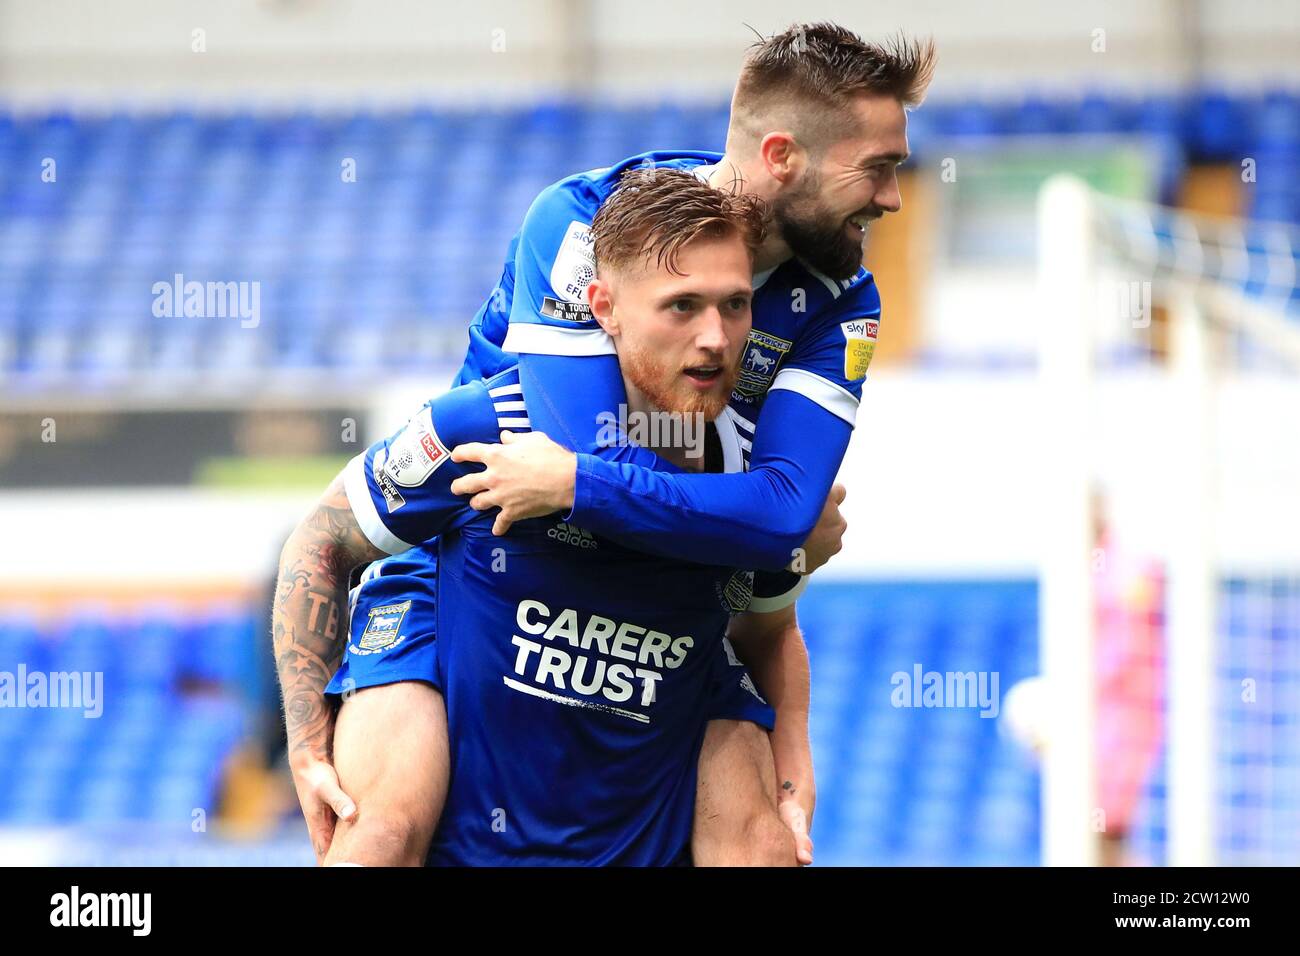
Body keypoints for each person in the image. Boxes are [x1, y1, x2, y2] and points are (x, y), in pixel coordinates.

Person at [274, 22, 934, 863]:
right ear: (781, 155)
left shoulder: (843, 299)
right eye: (878, 169)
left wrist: (778, 537)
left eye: (733, 309)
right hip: (472, 558)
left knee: (762, 848)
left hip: (673, 591)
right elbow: (590, 450)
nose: (893, 199)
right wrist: (761, 510)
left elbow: (743, 512)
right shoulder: (586, 221)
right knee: (381, 833)